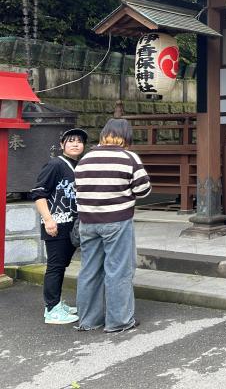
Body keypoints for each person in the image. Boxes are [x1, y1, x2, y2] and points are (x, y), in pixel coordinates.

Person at [73, 118, 151, 333]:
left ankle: (88, 320)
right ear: (127, 136)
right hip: (117, 221)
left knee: (89, 270)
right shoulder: (129, 157)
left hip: (88, 222)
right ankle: (119, 321)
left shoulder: (86, 158)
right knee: (118, 270)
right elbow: (144, 190)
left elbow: (77, 188)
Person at [31, 128, 88, 325]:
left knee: (62, 265)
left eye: (79, 141)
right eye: (70, 140)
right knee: (55, 266)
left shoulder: (79, 165)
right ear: (62, 144)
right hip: (56, 223)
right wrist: (48, 219)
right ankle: (51, 309)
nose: (75, 144)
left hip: (72, 224)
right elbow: (38, 193)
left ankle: (56, 303)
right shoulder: (55, 164)